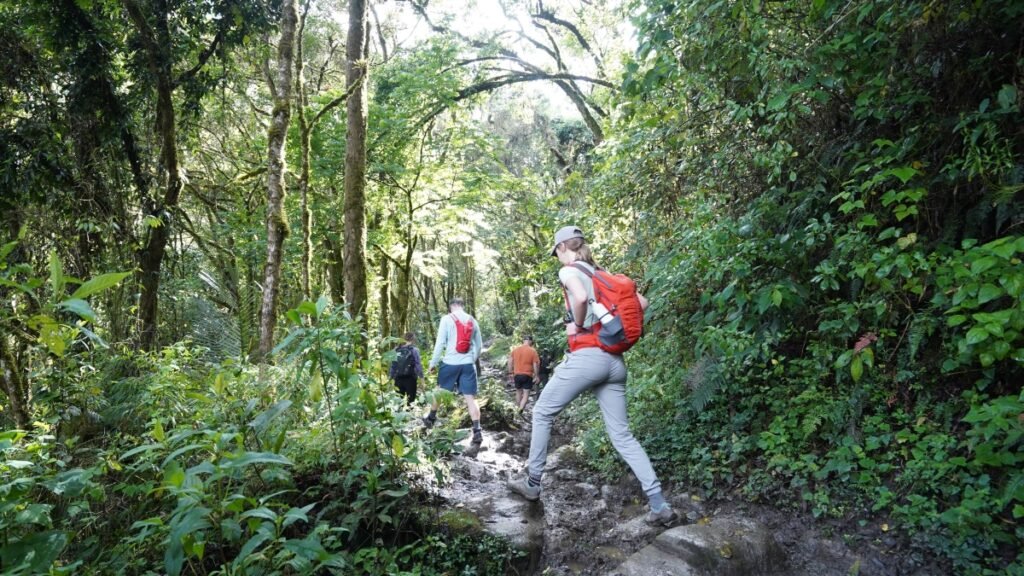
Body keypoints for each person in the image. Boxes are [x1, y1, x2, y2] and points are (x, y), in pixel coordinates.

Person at [507, 225, 678, 527]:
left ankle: (532, 484)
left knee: (543, 411)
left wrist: (578, 323)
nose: (557, 258)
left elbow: (581, 296)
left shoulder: (569, 271)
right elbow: (642, 304)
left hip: (588, 358)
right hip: (615, 363)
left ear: (562, 248)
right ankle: (659, 504)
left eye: (556, 252)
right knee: (622, 436)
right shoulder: (604, 273)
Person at [424, 297, 485, 444]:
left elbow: (440, 344)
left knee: (439, 391)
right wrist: (471, 359)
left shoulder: (446, 319)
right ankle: (477, 431)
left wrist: (433, 364)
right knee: (470, 398)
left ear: (451, 306)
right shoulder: (472, 320)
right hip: (468, 364)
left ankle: (431, 417)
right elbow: (480, 346)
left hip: (449, 363)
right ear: (462, 306)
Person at [508, 335, 541, 413]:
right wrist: (536, 376)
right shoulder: (533, 351)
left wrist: (510, 373)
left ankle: (517, 408)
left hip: (517, 374)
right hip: (527, 375)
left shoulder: (515, 350)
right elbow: (535, 364)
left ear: (523, 341)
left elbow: (510, 362)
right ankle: (521, 409)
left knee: (518, 391)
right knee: (526, 393)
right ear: (530, 341)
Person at [389, 332, 423, 405]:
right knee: (411, 402)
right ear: (413, 340)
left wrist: (390, 378)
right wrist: (422, 379)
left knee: (398, 401)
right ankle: (410, 415)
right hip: (410, 379)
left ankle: (398, 415)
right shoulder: (414, 350)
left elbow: (393, 366)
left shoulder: (396, 349)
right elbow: (418, 366)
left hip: (398, 379)